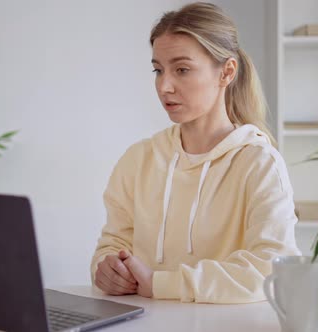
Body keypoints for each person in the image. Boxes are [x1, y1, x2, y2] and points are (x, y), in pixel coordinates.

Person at [90, 2, 301, 304]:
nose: (164, 86)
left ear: (226, 72)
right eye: (158, 70)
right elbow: (113, 244)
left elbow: (272, 269)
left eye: (182, 70)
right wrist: (106, 268)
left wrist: (160, 283)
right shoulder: (138, 159)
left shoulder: (259, 163)